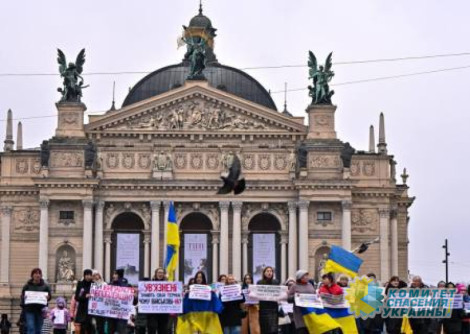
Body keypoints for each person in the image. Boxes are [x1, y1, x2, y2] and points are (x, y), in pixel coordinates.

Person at [21, 268, 52, 334]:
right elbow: (22, 296)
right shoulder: (27, 286)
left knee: (38, 329)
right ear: (32, 275)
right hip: (29, 310)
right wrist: (24, 297)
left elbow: (49, 297)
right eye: (36, 273)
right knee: (31, 328)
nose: (37, 275)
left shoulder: (45, 286)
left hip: (40, 311)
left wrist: (48, 297)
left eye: (39, 273)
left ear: (41, 275)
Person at [257, 266, 280, 334]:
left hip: (273, 309)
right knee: (264, 328)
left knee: (273, 329)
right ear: (264, 273)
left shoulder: (276, 282)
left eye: (271, 271)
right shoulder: (260, 282)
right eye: (267, 271)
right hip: (263, 309)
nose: (269, 273)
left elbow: (279, 292)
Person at [109, 269, 131, 334]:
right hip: (111, 314)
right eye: (113, 274)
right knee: (110, 330)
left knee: (122, 331)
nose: (113, 276)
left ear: (119, 275)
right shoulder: (110, 284)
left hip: (121, 315)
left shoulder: (126, 285)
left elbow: (131, 300)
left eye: (115, 274)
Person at [147, 268, 169, 334]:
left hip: (163, 312)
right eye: (159, 272)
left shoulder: (168, 285)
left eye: (162, 273)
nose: (160, 274)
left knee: (162, 330)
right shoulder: (150, 284)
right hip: (152, 312)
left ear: (164, 275)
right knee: (152, 328)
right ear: (156, 274)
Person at [74, 269, 94, 334]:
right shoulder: (80, 284)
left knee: (91, 328)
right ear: (84, 275)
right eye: (87, 275)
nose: (88, 276)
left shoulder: (94, 285)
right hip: (82, 310)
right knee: (82, 329)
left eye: (90, 275)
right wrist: (85, 296)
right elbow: (77, 297)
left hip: (92, 310)